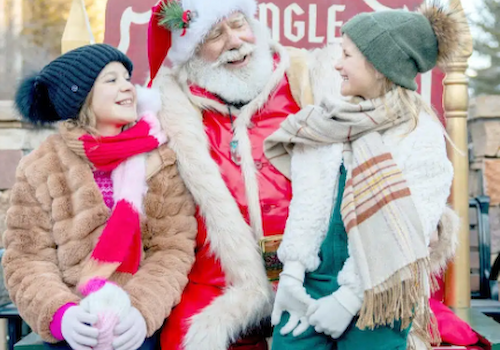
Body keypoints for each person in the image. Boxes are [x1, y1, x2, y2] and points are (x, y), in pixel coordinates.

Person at [263, 3, 465, 350]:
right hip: (315, 281)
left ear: (378, 64)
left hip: (379, 287)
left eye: (347, 55)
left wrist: (349, 299)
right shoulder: (327, 122)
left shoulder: (420, 135)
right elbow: (307, 202)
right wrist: (292, 275)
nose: (337, 64)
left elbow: (410, 230)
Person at [145, 0, 340, 349]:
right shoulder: (171, 110)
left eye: (238, 24)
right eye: (215, 34)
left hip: (315, 272)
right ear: (191, 52)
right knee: (187, 338)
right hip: (221, 282)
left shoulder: (307, 77)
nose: (234, 41)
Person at [2, 44, 197, 350]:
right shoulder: (41, 166)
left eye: (127, 78)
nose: (128, 87)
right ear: (81, 97)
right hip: (74, 324)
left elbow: (172, 249)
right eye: (111, 80)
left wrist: (141, 311)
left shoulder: (159, 160)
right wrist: (60, 315)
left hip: (135, 327)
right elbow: (27, 258)